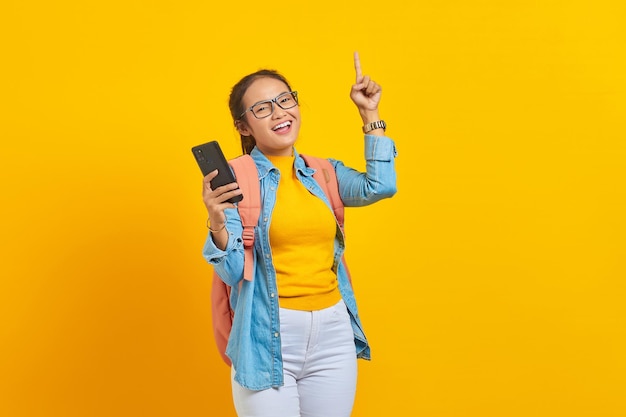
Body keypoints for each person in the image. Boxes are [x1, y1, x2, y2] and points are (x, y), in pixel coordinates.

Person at [201, 52, 397, 417]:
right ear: (243, 127)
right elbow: (230, 272)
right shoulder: (236, 176)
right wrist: (215, 221)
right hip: (267, 335)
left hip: (333, 331)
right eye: (262, 108)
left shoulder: (323, 173)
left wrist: (370, 115)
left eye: (285, 100)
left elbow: (381, 185)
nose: (279, 113)